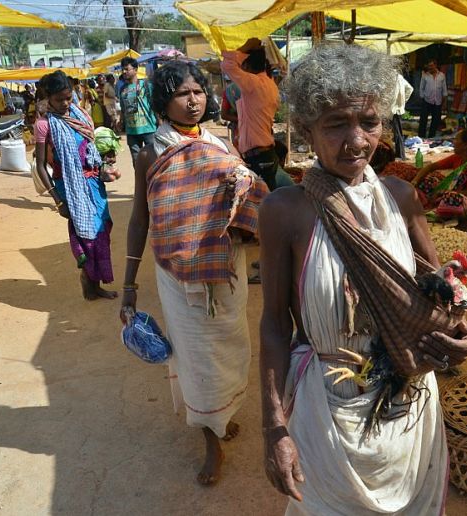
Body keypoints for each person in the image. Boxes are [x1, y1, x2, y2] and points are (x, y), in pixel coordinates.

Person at [258, 44, 467, 515]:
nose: (356, 141)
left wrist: (463, 332)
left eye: (369, 122)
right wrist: (275, 427)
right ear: (306, 130)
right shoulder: (284, 212)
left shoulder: (402, 197)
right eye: (336, 123)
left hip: (410, 408)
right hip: (329, 415)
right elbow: (275, 326)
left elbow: (440, 295)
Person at [120, 60, 269, 486]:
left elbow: (248, 195)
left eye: (198, 92)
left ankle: (222, 417)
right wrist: (129, 286)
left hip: (225, 269)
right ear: (163, 102)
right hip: (178, 275)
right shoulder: (151, 150)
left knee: (228, 348)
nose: (192, 101)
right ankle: (211, 440)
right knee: (196, 356)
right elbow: (139, 220)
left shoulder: (221, 144)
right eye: (181, 93)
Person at [33, 70, 116, 301]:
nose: (66, 103)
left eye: (69, 97)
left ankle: (96, 284)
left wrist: (104, 167)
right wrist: (58, 200)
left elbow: (90, 149)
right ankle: (88, 283)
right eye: (59, 99)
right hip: (69, 187)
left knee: (102, 231)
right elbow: (40, 166)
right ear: (47, 97)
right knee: (86, 237)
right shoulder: (44, 125)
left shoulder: (79, 113)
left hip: (93, 183)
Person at [221, 38, 280, 190]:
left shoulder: (254, 83)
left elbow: (227, 64)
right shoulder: (269, 84)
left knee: (260, 202)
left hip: (259, 155)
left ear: (246, 65)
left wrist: (245, 48)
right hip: (263, 153)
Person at [412, 128, 467, 229]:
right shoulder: (456, 158)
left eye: (456, 139)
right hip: (450, 196)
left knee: (452, 197)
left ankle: (450, 217)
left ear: (466, 145)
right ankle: (427, 208)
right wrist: (414, 181)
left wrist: (443, 193)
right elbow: (430, 167)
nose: (453, 142)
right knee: (427, 182)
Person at [119, 56, 157, 167]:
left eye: (127, 69)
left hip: (149, 129)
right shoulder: (122, 89)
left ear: (135, 70)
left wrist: (159, 121)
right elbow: (123, 108)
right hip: (131, 132)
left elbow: (154, 104)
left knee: (154, 160)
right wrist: (120, 121)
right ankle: (142, 183)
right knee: (137, 163)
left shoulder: (146, 85)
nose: (124, 72)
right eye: (123, 69)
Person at [417, 58, 447, 139]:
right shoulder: (425, 75)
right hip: (427, 100)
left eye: (432, 66)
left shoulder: (442, 75)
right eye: (429, 66)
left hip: (437, 101)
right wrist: (423, 97)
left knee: (435, 120)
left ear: (435, 65)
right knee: (423, 119)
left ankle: (431, 136)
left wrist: (444, 102)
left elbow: (444, 89)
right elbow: (421, 88)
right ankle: (421, 136)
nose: (430, 67)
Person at [390, 72, 413, 159]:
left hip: (392, 109)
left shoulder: (391, 77)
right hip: (396, 109)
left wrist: (402, 102)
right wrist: (402, 102)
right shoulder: (399, 77)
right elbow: (410, 89)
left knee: (396, 132)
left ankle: (400, 154)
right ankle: (399, 153)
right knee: (397, 132)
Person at [220, 75, 241, 149]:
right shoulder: (259, 86)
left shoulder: (229, 91)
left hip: (239, 130)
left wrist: (241, 120)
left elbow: (224, 115)